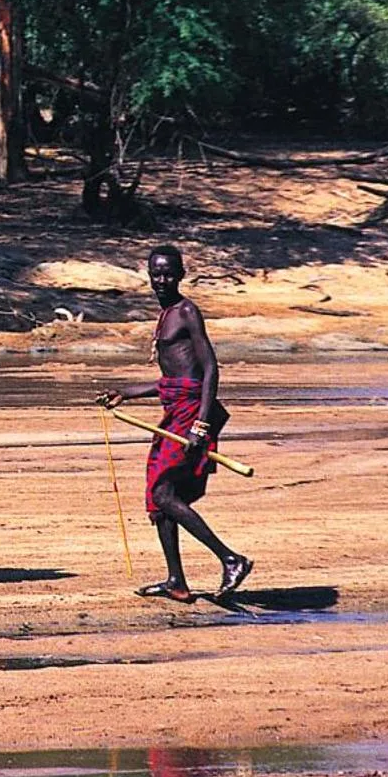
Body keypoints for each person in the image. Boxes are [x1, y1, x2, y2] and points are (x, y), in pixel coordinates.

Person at [97, 245, 252, 603]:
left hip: (191, 414)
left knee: (164, 493)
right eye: (156, 274)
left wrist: (200, 425)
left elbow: (209, 369)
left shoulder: (186, 311)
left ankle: (231, 559)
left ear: (181, 275)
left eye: (168, 274)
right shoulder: (165, 314)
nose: (162, 280)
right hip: (177, 411)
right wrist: (126, 393)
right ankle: (176, 582)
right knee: (162, 496)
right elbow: (172, 378)